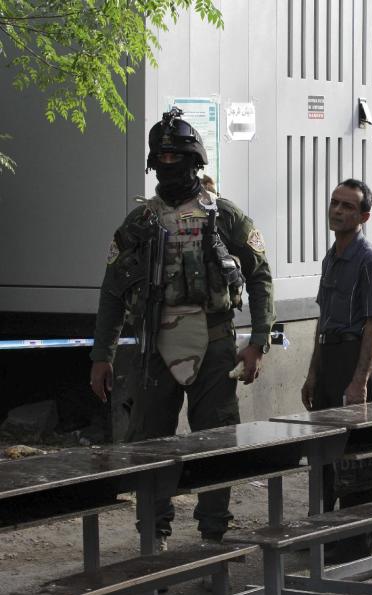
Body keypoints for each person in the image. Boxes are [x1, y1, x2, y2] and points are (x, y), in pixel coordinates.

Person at [90, 108, 275, 550]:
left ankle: (213, 535)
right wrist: (102, 354)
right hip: (153, 344)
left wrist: (259, 341)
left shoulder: (224, 216)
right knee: (148, 443)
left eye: (179, 157)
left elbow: (260, 274)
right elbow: (113, 290)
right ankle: (153, 536)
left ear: (196, 163)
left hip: (214, 342)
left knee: (216, 439)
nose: (170, 166)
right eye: (163, 158)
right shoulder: (139, 222)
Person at [301, 178, 372, 560]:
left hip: (357, 360)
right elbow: (324, 319)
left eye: (348, 206)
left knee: (356, 457)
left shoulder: (369, 258)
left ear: (364, 215)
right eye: (335, 203)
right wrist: (312, 373)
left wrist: (359, 381)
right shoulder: (331, 256)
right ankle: (322, 533)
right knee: (323, 453)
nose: (338, 211)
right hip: (330, 357)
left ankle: (354, 541)